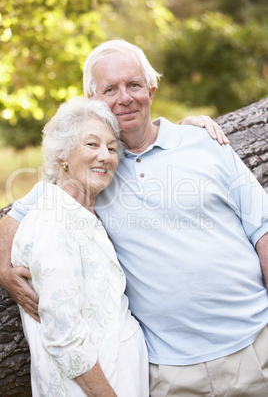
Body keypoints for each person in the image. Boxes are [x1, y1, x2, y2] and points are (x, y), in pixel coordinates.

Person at [2, 39, 266, 396]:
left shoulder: (203, 142)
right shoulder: (94, 170)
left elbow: (263, 231)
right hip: (170, 373)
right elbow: (16, 214)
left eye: (134, 85)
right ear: (93, 101)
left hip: (256, 346)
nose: (124, 97)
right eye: (110, 89)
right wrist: (4, 267)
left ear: (151, 90)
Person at [11, 96, 149, 396]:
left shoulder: (83, 214)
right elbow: (65, 337)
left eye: (112, 148)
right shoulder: (54, 224)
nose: (105, 156)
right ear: (62, 155)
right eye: (92, 144)